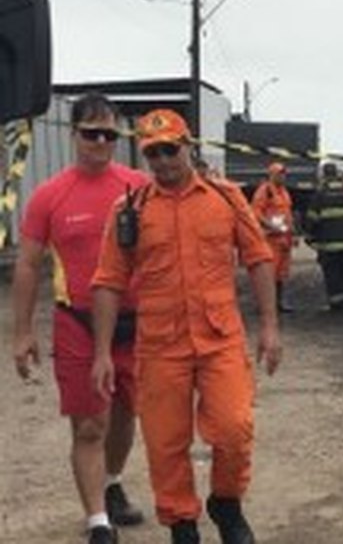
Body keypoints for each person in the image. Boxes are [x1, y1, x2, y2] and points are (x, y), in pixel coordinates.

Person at [89, 108, 283, 544]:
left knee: (233, 429)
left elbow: (259, 258)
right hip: (160, 345)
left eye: (169, 149)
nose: (162, 160)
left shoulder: (226, 197)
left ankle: (227, 503)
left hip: (220, 339)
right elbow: (108, 281)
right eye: (152, 153)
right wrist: (102, 352)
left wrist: (270, 326)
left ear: (188, 147)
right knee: (165, 443)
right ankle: (182, 523)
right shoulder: (130, 210)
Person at [11, 93, 147, 544]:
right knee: (91, 423)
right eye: (92, 134)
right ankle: (97, 523)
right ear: (74, 135)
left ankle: (110, 484)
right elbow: (28, 265)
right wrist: (23, 331)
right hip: (78, 324)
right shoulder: (50, 196)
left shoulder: (137, 186)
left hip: (135, 322)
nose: (101, 142)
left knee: (127, 415)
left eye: (110, 134)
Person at [304, 162, 343, 311]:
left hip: (329, 244)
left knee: (333, 273)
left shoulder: (321, 194)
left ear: (323, 174)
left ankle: (337, 304)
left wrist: (309, 236)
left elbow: (312, 218)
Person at [251, 162, 295, 313]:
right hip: (271, 239)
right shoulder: (265, 191)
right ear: (272, 175)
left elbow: (288, 213)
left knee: (282, 274)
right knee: (269, 274)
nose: (283, 177)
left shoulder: (284, 191)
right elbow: (256, 212)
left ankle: (279, 303)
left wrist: (293, 233)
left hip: (284, 239)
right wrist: (270, 225)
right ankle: (265, 305)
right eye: (280, 174)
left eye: (284, 174)